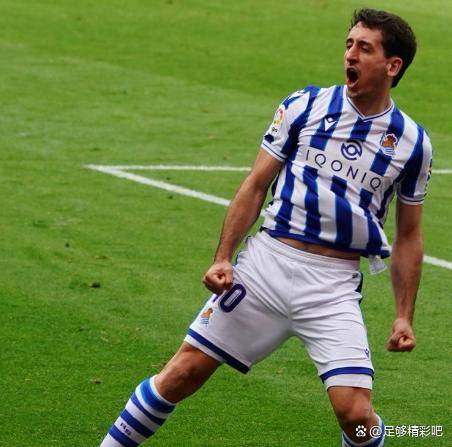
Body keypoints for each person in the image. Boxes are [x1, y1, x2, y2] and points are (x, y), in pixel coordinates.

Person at [99, 8, 432, 447]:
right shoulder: (304, 106)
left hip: (332, 286)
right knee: (181, 374)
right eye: (349, 44)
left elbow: (408, 235)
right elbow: (256, 185)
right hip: (266, 266)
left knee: (355, 414)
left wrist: (403, 316)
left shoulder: (412, 143)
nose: (350, 55)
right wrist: (222, 257)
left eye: (364, 48)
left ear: (392, 65)